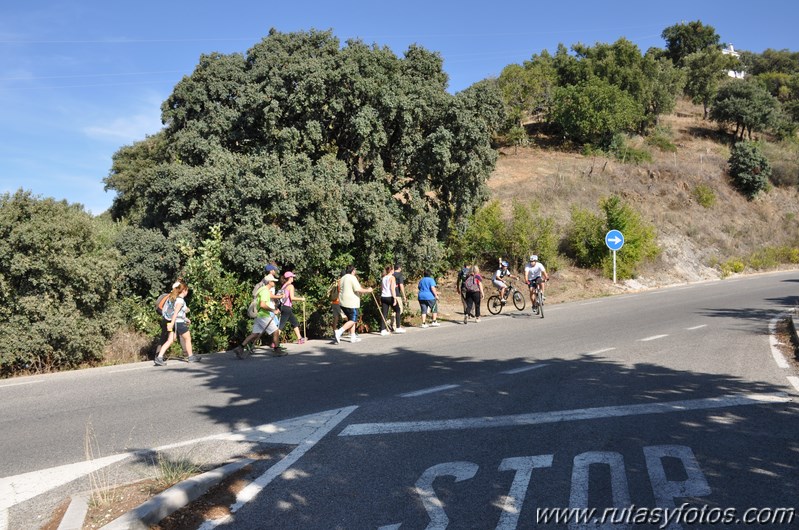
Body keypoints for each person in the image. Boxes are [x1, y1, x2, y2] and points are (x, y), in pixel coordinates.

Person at [234, 273, 287, 358]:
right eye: (273, 281)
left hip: (259, 315)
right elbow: (262, 304)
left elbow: (270, 296)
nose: (274, 283)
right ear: (269, 282)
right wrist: (273, 310)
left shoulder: (263, 289)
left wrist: (280, 296)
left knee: (255, 334)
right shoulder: (265, 291)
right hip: (264, 315)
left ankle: (240, 348)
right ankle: (277, 350)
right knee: (276, 331)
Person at [154, 280, 200, 365]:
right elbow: (176, 313)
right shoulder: (180, 301)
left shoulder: (174, 299)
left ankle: (159, 357)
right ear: (184, 291)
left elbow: (177, 313)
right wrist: (173, 323)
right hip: (178, 323)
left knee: (170, 340)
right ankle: (190, 357)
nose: (187, 292)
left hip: (173, 322)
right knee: (188, 338)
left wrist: (185, 319)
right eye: (187, 290)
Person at [333, 265, 374, 344]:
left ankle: (353, 336)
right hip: (351, 302)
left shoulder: (342, 278)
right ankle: (339, 332)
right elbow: (358, 289)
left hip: (342, 302)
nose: (355, 272)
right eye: (355, 270)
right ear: (353, 271)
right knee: (353, 319)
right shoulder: (352, 277)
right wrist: (368, 290)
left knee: (350, 318)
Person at [277, 271, 306, 345]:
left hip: (282, 307)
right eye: (292, 277)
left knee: (294, 322)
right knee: (281, 325)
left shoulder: (284, 286)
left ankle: (299, 338)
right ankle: (274, 341)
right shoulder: (290, 286)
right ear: (289, 278)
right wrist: (301, 299)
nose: (293, 278)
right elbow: (292, 298)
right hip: (287, 307)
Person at [379, 264, 398, 336]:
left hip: (383, 296)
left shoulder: (383, 278)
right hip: (389, 296)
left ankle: (382, 329)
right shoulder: (392, 277)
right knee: (398, 310)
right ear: (392, 270)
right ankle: (398, 327)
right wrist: (395, 298)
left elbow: (382, 288)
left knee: (384, 313)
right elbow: (392, 289)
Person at [392, 263, 407, 333]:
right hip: (397, 294)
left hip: (390, 294)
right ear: (399, 268)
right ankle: (395, 325)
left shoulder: (391, 275)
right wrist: (404, 295)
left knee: (394, 310)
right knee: (399, 310)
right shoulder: (399, 275)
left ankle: (393, 325)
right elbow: (401, 285)